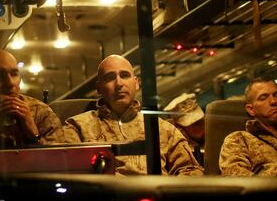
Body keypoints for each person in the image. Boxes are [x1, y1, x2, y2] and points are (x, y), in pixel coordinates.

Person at [63, 55, 203, 176]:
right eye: (110, 77)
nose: (119, 83)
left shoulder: (162, 129)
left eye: (124, 75)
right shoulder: (78, 127)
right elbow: (70, 175)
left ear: (136, 83)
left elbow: (191, 170)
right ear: (99, 88)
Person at [0, 49, 65, 149]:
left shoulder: (40, 112)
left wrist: (32, 131)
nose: (10, 83)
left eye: (14, 74)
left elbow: (61, 156)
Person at [219, 77, 277, 176]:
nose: (273, 101)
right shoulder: (239, 140)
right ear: (251, 109)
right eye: (263, 98)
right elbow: (237, 179)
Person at [164, 93, 205, 165]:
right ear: (177, 125)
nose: (197, 125)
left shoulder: (216, 132)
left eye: (199, 120)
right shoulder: (175, 149)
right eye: (191, 123)